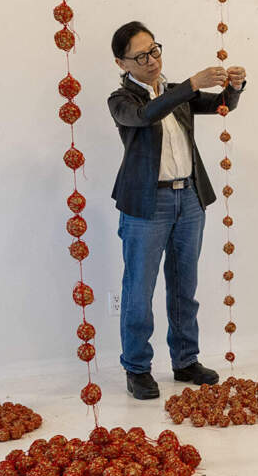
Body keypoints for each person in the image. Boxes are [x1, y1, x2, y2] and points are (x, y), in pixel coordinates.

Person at [105, 21, 246, 399]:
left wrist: (233, 87)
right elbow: (146, 115)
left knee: (185, 285)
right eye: (140, 56)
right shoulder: (121, 101)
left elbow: (220, 107)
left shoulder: (174, 93)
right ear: (122, 63)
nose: (151, 60)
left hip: (190, 199)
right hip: (147, 204)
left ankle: (185, 361)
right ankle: (137, 368)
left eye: (154, 50)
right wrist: (191, 84)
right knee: (139, 288)